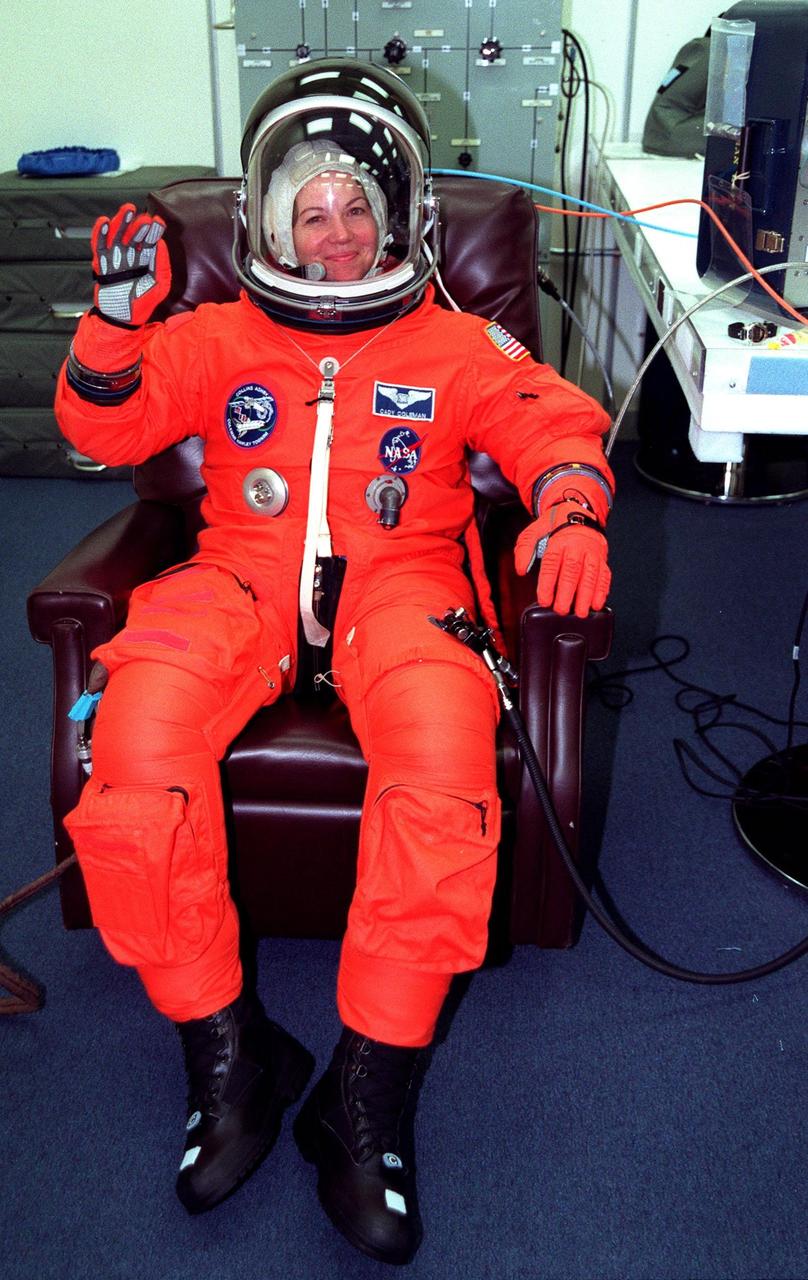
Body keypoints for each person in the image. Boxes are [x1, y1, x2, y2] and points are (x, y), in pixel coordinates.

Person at [55, 58, 614, 1266]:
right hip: (238, 578)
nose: (339, 230)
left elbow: (549, 422)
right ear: (271, 226)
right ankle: (229, 1054)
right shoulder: (214, 333)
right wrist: (111, 324)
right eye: (310, 210)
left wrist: (569, 504)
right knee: (136, 738)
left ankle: (367, 1097)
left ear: (403, 212)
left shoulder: (455, 340)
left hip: (405, 584)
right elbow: (107, 424)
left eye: (358, 203)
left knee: (446, 766)